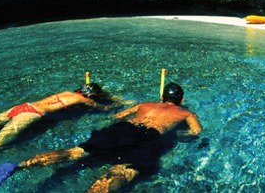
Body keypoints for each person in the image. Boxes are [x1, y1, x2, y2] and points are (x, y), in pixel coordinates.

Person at [18, 82, 202, 193]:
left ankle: (20, 165)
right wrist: (175, 134)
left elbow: (117, 116)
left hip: (123, 128)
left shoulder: (145, 104)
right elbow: (195, 132)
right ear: (182, 100)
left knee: (77, 151)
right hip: (150, 136)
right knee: (123, 170)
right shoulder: (187, 113)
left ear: (162, 97)